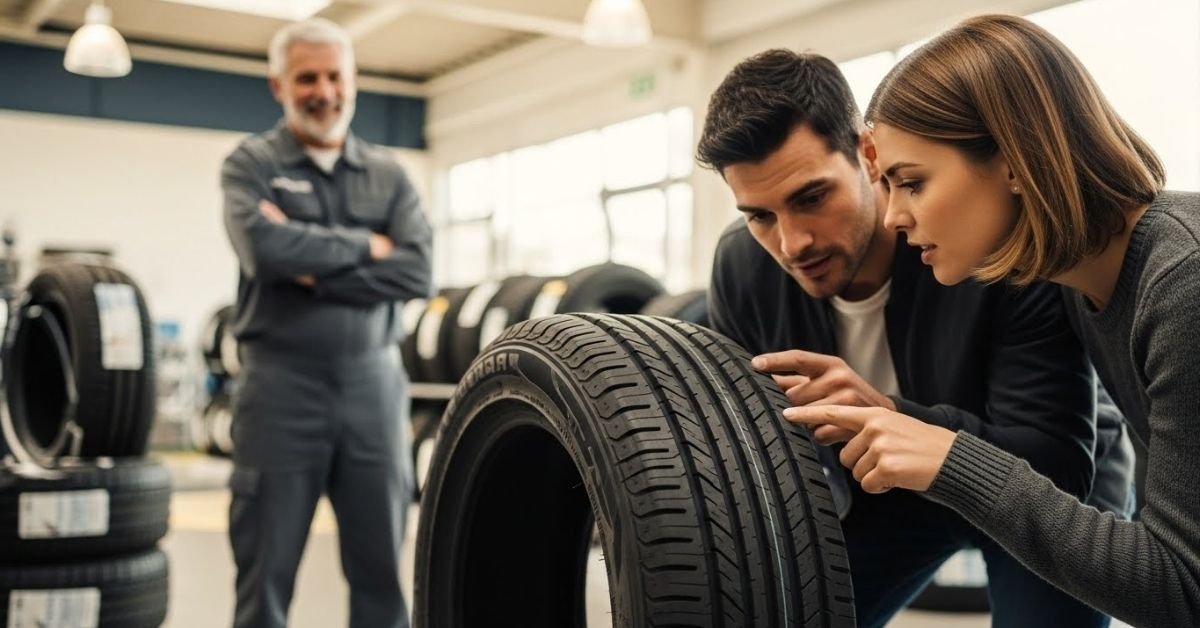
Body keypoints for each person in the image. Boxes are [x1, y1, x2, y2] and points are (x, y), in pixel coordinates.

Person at [783, 14, 1200, 627]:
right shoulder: (1087, 281)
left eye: (912, 183)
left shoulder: (1183, 283)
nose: (893, 217)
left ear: (1014, 161)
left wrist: (956, 460)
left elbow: (1183, 588)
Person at [698, 49, 1134, 627]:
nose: (792, 242)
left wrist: (892, 417)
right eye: (760, 215)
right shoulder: (741, 267)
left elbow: (1055, 464)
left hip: (1042, 487)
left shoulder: (986, 241)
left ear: (867, 155)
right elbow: (751, 451)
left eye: (811, 197)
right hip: (888, 495)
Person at [220, 17, 432, 628]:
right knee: (264, 576)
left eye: (335, 76)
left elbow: (416, 273)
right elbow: (265, 253)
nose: (324, 91)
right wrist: (368, 246)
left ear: (353, 80)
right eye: (307, 78)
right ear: (278, 86)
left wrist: (311, 265)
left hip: (375, 388)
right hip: (279, 389)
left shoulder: (389, 174)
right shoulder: (250, 165)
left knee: (382, 576)